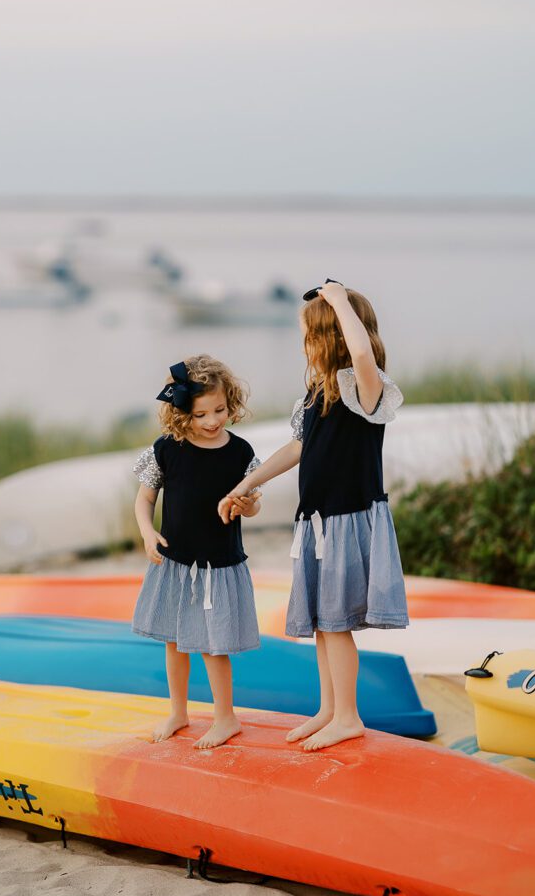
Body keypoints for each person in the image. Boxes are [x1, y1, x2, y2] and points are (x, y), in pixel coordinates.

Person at [219, 281, 408, 751]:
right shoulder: (317, 394)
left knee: (338, 623)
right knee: (325, 622)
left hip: (349, 519)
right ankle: (328, 708)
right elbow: (298, 447)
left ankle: (348, 716)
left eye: (310, 337)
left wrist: (340, 300)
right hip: (318, 521)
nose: (304, 346)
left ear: (333, 338)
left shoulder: (366, 388)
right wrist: (247, 483)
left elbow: (362, 356)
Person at [132, 355, 262, 749]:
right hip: (174, 561)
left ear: (231, 403)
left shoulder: (240, 453)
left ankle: (226, 718)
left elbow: (255, 504)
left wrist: (247, 505)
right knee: (174, 642)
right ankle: (178, 711)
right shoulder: (166, 449)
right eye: (200, 413)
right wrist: (147, 533)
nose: (211, 421)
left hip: (217, 564)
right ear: (181, 411)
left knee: (211, 645)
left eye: (219, 410)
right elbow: (144, 501)